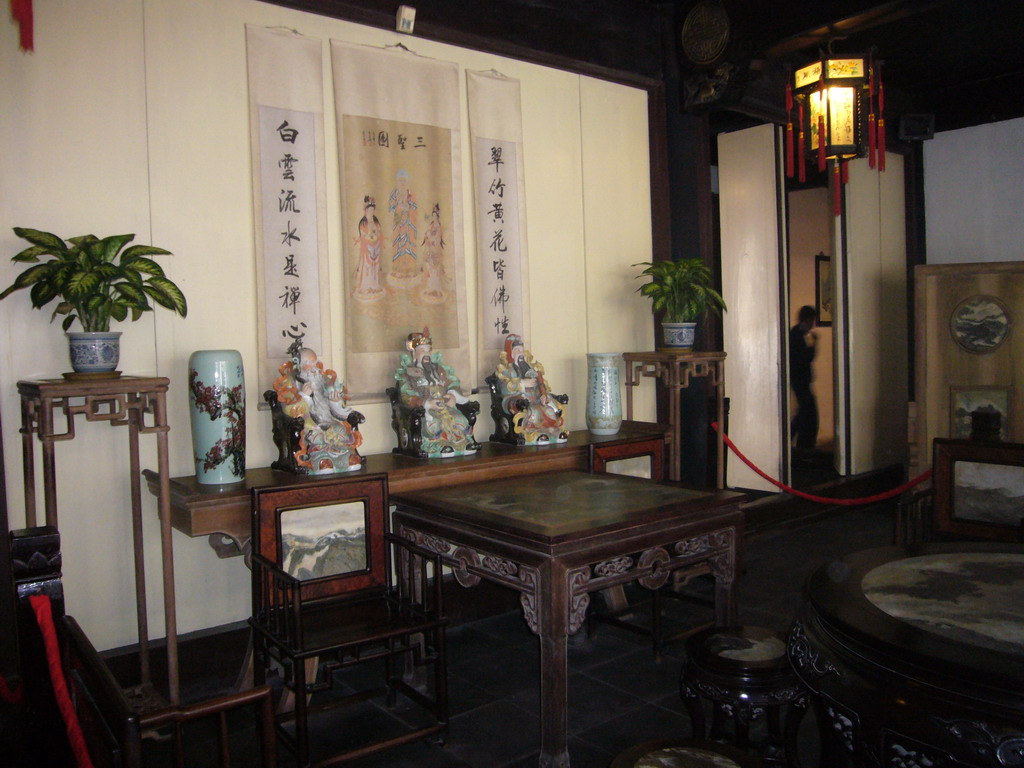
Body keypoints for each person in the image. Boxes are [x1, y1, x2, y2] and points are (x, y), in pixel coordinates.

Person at [394, 327, 478, 456]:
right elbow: (406, 396)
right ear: (414, 353)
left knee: (459, 419)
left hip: (446, 407)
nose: (426, 354)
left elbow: (452, 383)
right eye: (422, 350)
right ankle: (437, 444)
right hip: (426, 410)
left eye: (428, 350)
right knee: (436, 423)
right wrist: (427, 403)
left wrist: (452, 395)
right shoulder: (408, 374)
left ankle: (462, 443)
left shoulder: (439, 370)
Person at [492, 334, 568, 444]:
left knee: (549, 409)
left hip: (534, 398)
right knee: (534, 411)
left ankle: (554, 432)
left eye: (522, 350)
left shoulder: (529, 368)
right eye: (517, 350)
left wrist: (543, 394)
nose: (520, 353)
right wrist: (522, 383)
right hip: (517, 398)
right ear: (511, 353)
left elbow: (540, 385)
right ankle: (533, 434)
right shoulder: (507, 370)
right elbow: (504, 387)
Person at [789, 305, 819, 450]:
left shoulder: (797, 334)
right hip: (799, 380)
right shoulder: (797, 335)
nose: (813, 324)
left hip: (799, 381)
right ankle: (804, 445)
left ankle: (800, 444)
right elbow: (804, 358)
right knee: (808, 413)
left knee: (803, 413)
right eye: (812, 320)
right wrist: (813, 345)